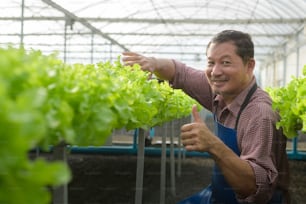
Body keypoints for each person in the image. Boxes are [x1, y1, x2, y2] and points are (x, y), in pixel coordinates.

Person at [122, 30, 290, 204]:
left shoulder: (259, 114)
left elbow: (255, 188)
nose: (215, 72)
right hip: (218, 195)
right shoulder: (220, 91)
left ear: (249, 66)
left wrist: (213, 145)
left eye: (226, 62)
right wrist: (153, 63)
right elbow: (180, 72)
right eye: (211, 62)